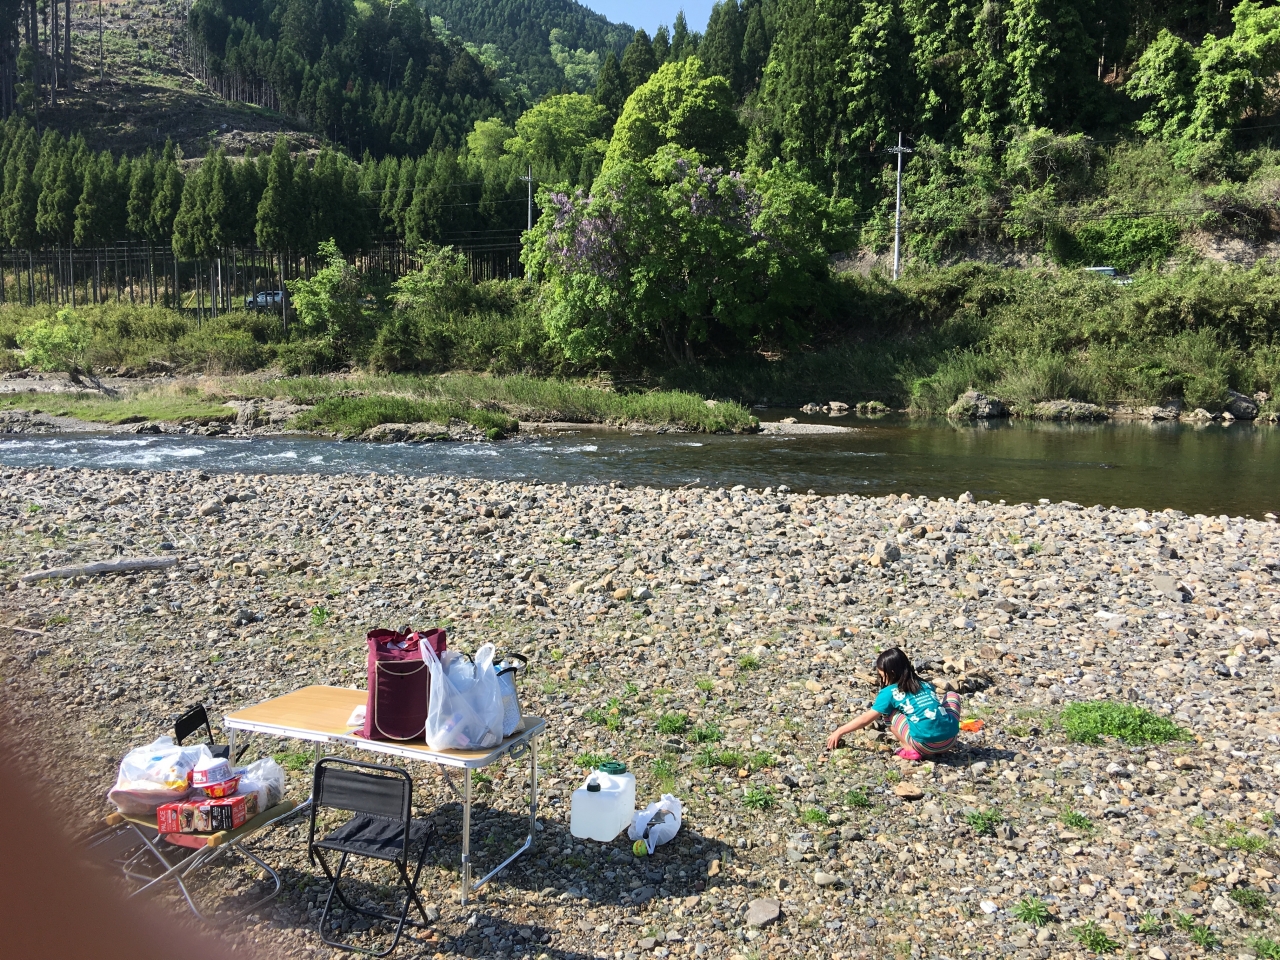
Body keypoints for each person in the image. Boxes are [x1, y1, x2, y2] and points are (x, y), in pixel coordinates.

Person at [825, 647, 961, 761]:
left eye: (882, 674)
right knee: (952, 695)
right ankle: (942, 731)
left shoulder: (889, 692)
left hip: (923, 745)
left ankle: (909, 748)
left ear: (891, 673)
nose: (881, 677)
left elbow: (866, 718)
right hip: (950, 741)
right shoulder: (925, 684)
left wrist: (840, 731)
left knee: (889, 712)